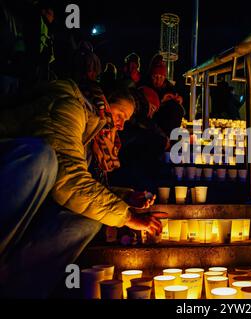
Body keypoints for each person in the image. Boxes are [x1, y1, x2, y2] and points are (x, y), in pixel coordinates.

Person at [0, 79, 166, 297]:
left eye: (125, 120)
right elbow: (69, 180)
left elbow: (83, 182)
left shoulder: (92, 127)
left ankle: (18, 287)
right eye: (120, 115)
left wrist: (124, 196)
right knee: (42, 157)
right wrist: (127, 217)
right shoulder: (67, 106)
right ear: (105, 101)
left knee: (90, 218)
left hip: (40, 198)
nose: (121, 125)